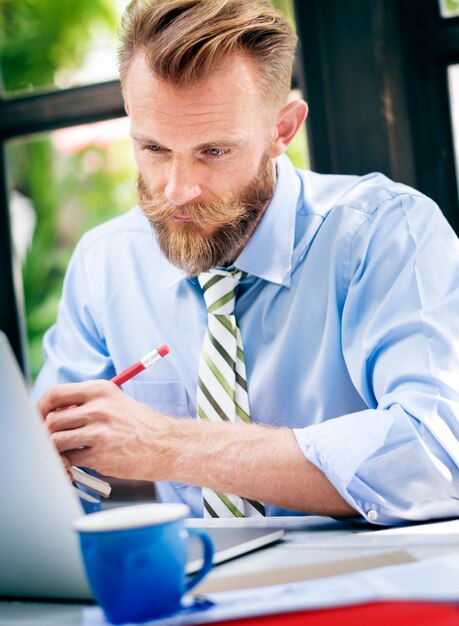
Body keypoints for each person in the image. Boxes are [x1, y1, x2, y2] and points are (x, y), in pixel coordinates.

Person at [35, 0, 459, 524]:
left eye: (213, 152)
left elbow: (436, 456)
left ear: (282, 130)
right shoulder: (105, 264)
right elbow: (46, 477)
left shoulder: (388, 233)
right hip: (189, 592)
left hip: (367, 584)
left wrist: (167, 445)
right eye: (153, 148)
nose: (177, 190)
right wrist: (52, 468)